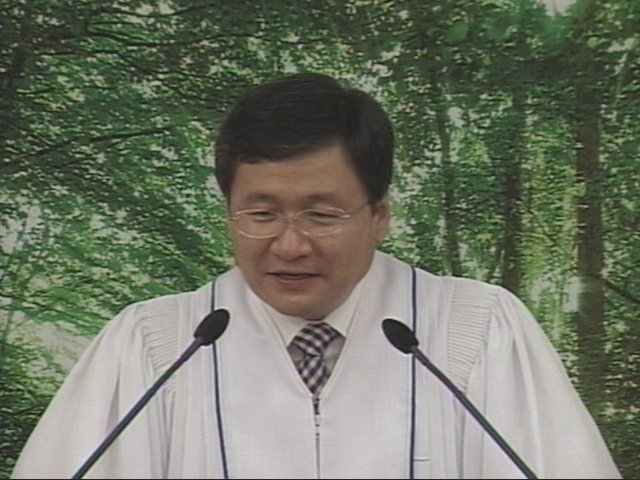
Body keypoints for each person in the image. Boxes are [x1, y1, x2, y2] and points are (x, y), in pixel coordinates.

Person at [12, 73, 620, 479]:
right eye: (261, 214)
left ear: (378, 216)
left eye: (322, 215)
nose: (290, 244)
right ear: (228, 213)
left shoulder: (477, 330)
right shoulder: (154, 345)